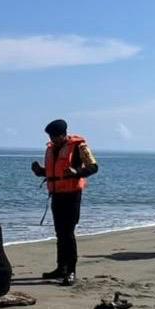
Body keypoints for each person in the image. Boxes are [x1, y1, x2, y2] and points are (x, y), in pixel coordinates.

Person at [31, 119, 98, 286]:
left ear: (63, 134)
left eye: (54, 136)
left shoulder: (79, 146)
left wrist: (77, 172)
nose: (52, 140)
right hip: (57, 195)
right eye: (50, 137)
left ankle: (71, 271)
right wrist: (40, 171)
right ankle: (61, 267)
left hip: (72, 195)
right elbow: (53, 172)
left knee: (68, 233)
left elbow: (93, 167)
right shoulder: (52, 148)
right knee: (60, 233)